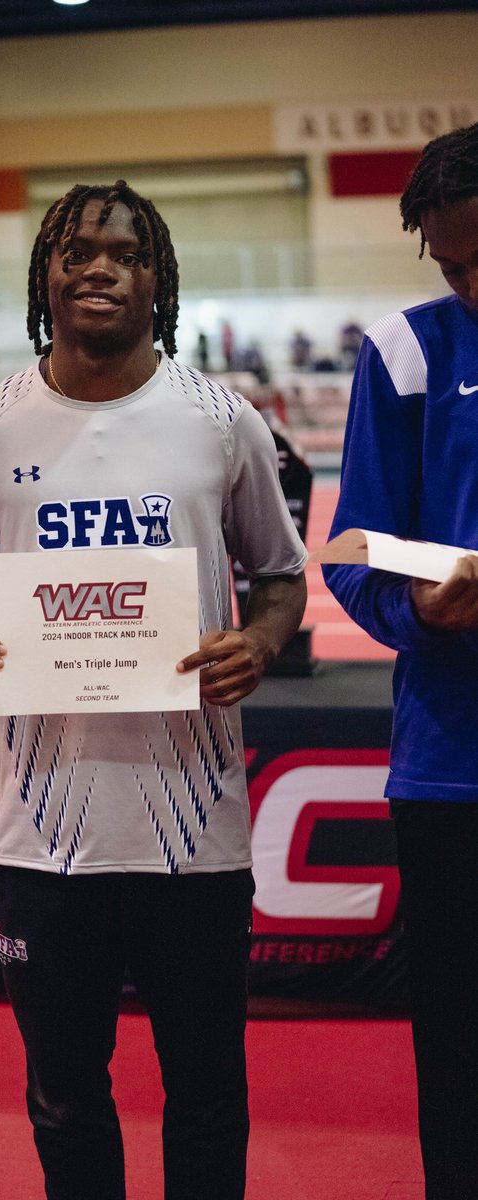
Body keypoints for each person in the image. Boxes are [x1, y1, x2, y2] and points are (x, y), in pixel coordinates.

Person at [0, 180, 307, 1200]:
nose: (99, 266)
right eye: (77, 250)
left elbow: (280, 576)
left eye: (125, 254)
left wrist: (258, 646)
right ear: (45, 274)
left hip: (195, 832)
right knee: (63, 1099)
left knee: (209, 1096)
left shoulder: (223, 422)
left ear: (155, 279)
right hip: (43, 836)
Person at [322, 122, 478, 1200]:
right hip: (452, 768)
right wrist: (421, 610)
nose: (471, 283)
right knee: (460, 1046)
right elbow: (354, 547)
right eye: (452, 263)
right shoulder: (408, 351)